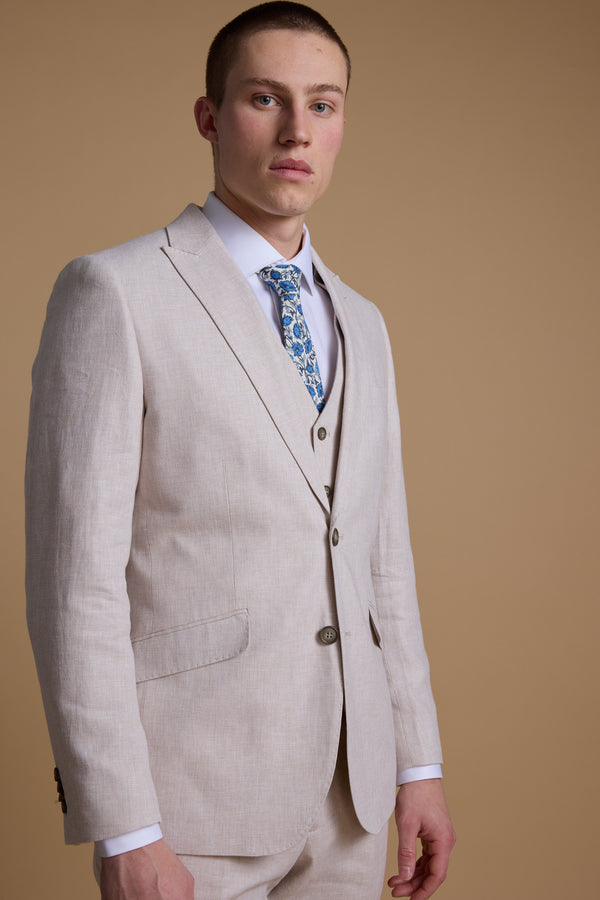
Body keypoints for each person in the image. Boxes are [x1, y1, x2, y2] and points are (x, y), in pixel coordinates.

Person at [25, 3, 455, 898]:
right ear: (210, 116)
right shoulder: (116, 292)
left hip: (350, 797)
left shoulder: (364, 324)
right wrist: (124, 823)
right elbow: (75, 583)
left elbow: (383, 564)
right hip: (189, 804)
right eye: (266, 98)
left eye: (324, 105)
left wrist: (417, 765)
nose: (299, 130)